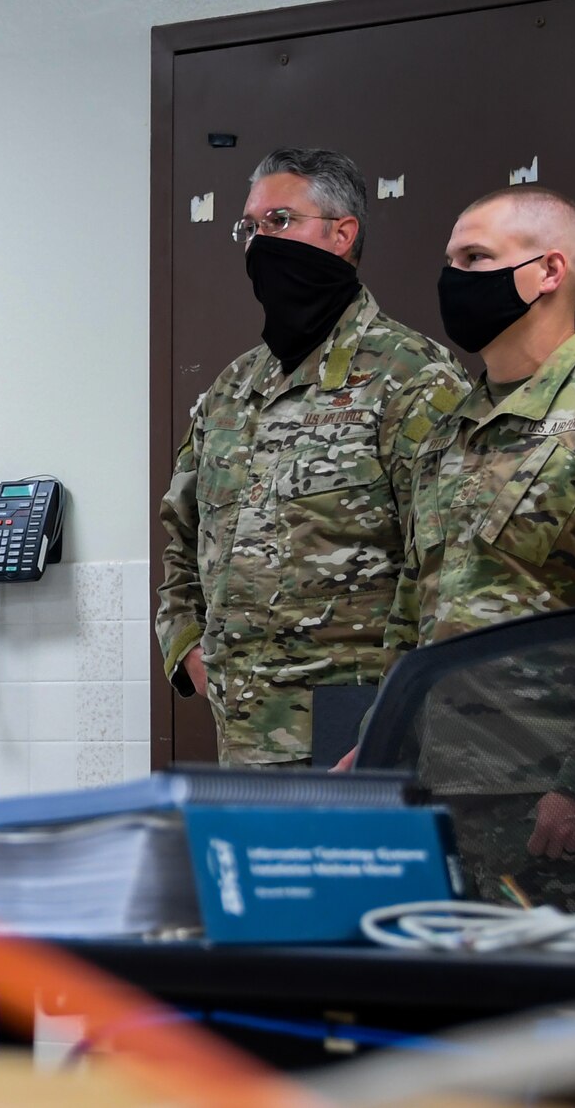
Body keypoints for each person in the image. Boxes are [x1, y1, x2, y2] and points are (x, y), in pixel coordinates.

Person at [155, 148, 467, 766]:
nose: (259, 243)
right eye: (250, 227)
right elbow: (181, 530)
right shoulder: (233, 388)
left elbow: (447, 566)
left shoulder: (413, 377)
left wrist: (394, 723)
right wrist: (185, 640)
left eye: (280, 221)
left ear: (342, 233)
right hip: (241, 731)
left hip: (357, 735)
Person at [396, 185, 575, 908]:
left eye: (474, 256)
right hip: (436, 796)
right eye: (449, 258)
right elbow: (412, 617)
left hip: (560, 809)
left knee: (565, 1016)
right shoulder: (449, 433)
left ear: (548, 272)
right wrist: (377, 742)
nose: (451, 276)